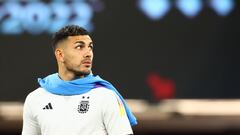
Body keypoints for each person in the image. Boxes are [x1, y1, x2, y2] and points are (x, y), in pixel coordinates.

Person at [22, 25, 137, 135]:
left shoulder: (106, 97)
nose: (88, 54)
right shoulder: (35, 99)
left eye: (90, 47)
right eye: (79, 47)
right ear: (60, 55)